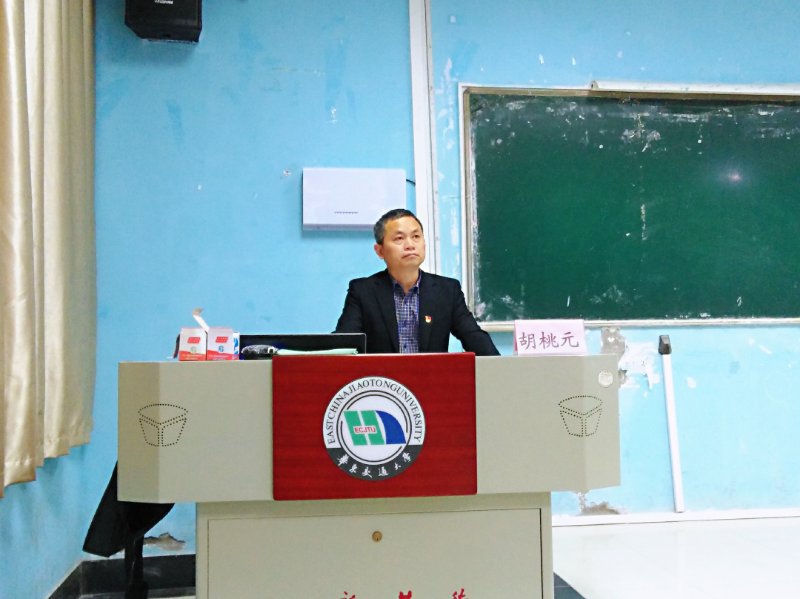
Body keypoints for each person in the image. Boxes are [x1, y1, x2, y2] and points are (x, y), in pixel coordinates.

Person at [335, 208, 499, 356]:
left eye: (416, 237)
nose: (410, 245)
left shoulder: (447, 290)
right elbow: (343, 346)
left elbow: (476, 339)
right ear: (380, 251)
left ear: (424, 244)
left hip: (430, 378)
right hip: (382, 380)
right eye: (399, 238)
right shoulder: (363, 291)